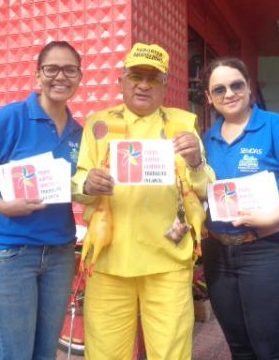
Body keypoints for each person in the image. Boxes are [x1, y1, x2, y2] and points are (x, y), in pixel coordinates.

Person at [72, 42, 214, 360]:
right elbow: (77, 184)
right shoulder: (98, 124)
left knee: (171, 354)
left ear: (165, 86)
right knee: (105, 353)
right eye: (136, 76)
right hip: (108, 259)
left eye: (153, 78)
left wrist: (194, 164)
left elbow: (206, 189)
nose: (144, 85)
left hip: (169, 259)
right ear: (121, 81)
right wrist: (88, 183)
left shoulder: (184, 124)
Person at [0, 41, 83, 360]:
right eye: (51, 69)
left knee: (45, 353)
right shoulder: (11, 117)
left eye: (69, 69)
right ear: (37, 75)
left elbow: (78, 186)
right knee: (17, 353)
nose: (60, 77)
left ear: (79, 77)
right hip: (12, 254)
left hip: (60, 254)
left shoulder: (79, 132)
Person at [201, 57, 279, 360]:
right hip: (218, 254)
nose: (228, 94)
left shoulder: (274, 126)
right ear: (208, 98)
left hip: (270, 250)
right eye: (219, 89)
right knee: (240, 348)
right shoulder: (207, 139)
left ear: (249, 88)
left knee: (269, 349)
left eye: (236, 85)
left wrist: (272, 215)